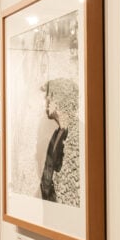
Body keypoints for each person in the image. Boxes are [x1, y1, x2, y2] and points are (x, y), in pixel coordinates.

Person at [40, 78, 80, 206]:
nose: (46, 100)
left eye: (50, 95)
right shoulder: (57, 134)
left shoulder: (75, 135)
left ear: (59, 98)